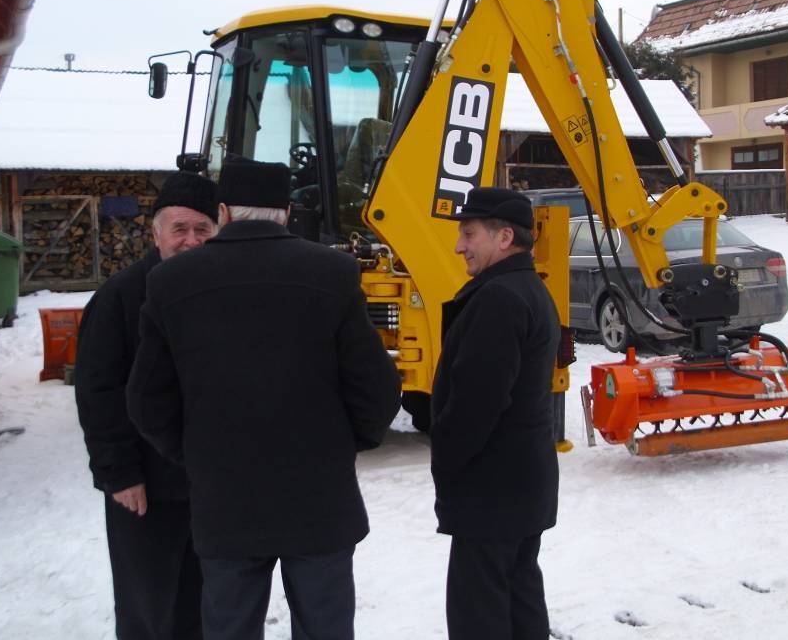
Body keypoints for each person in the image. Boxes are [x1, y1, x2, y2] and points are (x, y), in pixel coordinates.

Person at [126, 159, 401, 640]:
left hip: (225, 501)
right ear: (289, 211)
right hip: (319, 499)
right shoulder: (334, 272)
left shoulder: (172, 282)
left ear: (224, 211)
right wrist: (343, 445)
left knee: (230, 627)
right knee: (325, 628)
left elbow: (148, 401)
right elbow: (376, 389)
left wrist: (194, 453)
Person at [75, 171, 218, 640]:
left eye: (202, 229)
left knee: (206, 604)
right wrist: (120, 473)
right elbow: (98, 393)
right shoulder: (119, 298)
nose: (190, 240)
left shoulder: (225, 296)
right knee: (147, 608)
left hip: (211, 487)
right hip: (145, 490)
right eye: (180, 229)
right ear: (155, 232)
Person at [430, 187, 560, 640]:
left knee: (479, 615)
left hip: (492, 492)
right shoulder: (526, 289)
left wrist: (445, 457)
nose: (459, 245)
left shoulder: (499, 298)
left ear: (504, 238)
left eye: (469, 234)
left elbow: (476, 403)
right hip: (520, 486)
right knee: (519, 600)